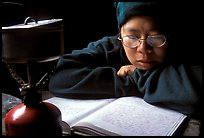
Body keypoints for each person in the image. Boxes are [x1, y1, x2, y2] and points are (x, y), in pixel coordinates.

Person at [49, 2, 202, 118]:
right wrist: (132, 81)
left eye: (155, 37)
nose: (143, 48)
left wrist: (138, 76)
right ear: (120, 36)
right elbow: (61, 78)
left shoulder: (184, 49)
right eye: (132, 37)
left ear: (169, 36)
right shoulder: (110, 46)